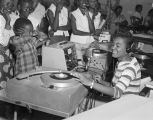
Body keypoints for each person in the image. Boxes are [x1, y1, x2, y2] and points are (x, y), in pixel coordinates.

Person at [75, 32, 141, 99]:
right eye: (113, 44)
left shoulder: (129, 68)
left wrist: (90, 83)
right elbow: (114, 86)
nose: (113, 48)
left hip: (126, 106)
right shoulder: (121, 63)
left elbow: (117, 93)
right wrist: (101, 82)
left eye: (117, 46)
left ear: (128, 48)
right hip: (120, 102)